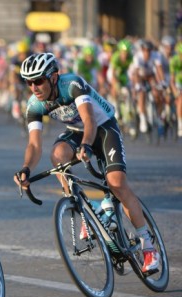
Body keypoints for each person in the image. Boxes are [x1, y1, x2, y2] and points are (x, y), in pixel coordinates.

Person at [13, 53, 160, 275]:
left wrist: (87, 146)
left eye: (38, 80)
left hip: (102, 128)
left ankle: (148, 246)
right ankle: (80, 206)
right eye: (29, 82)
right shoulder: (34, 104)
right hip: (75, 131)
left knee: (116, 184)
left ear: (53, 77)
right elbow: (34, 145)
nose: (34, 87)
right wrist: (26, 168)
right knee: (57, 155)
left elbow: (90, 120)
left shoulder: (72, 84)